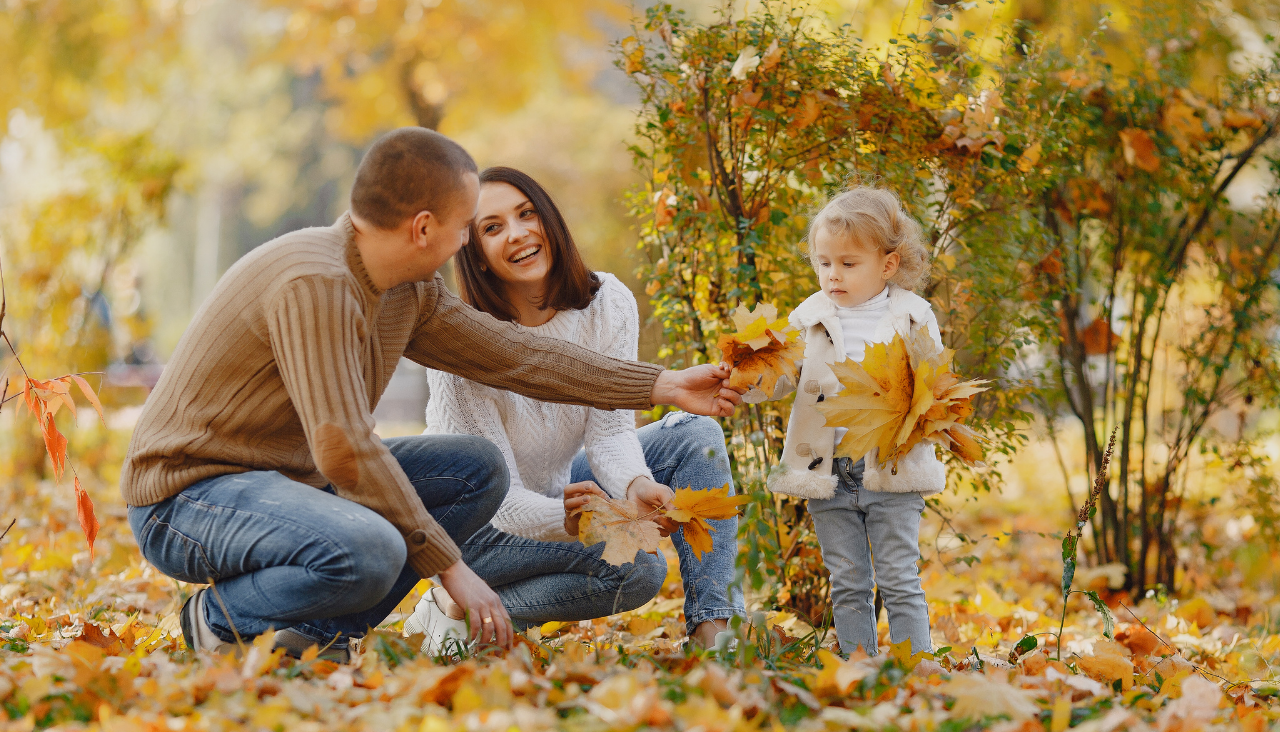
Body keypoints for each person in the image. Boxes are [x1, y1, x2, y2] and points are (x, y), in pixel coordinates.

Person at [121, 128, 740, 663]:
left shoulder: (408, 290)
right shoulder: (316, 283)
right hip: (189, 498)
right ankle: (221, 620)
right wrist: (451, 569)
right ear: (424, 228)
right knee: (372, 547)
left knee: (474, 470)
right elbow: (344, 449)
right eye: (470, 225)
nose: (471, 243)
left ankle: (318, 635)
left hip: (287, 486)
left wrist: (659, 384)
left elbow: (518, 356)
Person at [407, 167, 745, 655]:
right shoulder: (462, 346)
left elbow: (608, 432)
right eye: (493, 227)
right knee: (637, 568)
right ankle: (458, 613)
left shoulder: (607, 303)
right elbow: (500, 502)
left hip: (558, 489)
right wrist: (579, 522)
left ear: (549, 219)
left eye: (526, 214)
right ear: (474, 254)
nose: (519, 234)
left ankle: (716, 631)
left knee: (694, 434)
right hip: (471, 528)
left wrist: (636, 485)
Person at [763, 185, 942, 657]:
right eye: (824, 262)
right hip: (828, 471)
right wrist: (752, 373)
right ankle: (857, 664)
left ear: (888, 264)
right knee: (847, 579)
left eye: (848, 263)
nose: (832, 275)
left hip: (890, 468)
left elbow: (933, 390)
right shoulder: (810, 317)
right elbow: (782, 380)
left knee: (900, 576)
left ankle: (914, 665)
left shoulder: (912, 317)